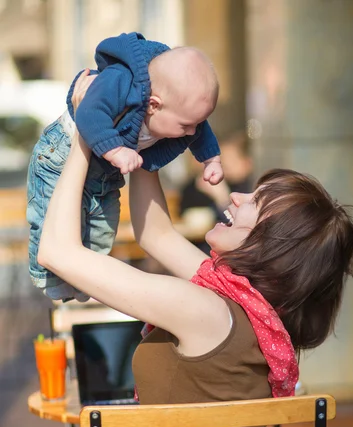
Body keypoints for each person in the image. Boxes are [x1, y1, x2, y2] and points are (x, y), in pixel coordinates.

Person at [1, 72, 353, 427]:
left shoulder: (205, 310)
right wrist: (153, 129)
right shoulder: (260, 313)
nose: (233, 197)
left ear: (268, 248)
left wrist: (87, 129)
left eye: (250, 206)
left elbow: (58, 254)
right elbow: (154, 233)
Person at [27, 32, 222, 302]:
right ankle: (48, 277)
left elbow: (200, 130)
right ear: (154, 104)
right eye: (186, 125)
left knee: (102, 225)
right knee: (48, 214)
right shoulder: (121, 83)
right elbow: (89, 114)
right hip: (61, 153)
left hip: (104, 166)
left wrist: (210, 157)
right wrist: (114, 147)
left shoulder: (177, 111)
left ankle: (85, 281)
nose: (192, 132)